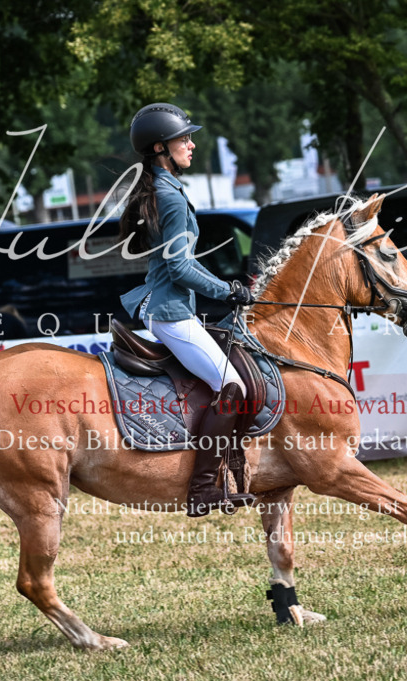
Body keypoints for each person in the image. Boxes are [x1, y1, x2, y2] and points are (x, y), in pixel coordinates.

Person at [118, 102, 255, 517]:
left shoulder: (162, 190)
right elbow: (179, 266)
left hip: (170, 307)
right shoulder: (169, 197)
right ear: (161, 147)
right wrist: (226, 289)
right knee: (233, 387)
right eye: (184, 139)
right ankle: (201, 490)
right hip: (172, 313)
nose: (191, 145)